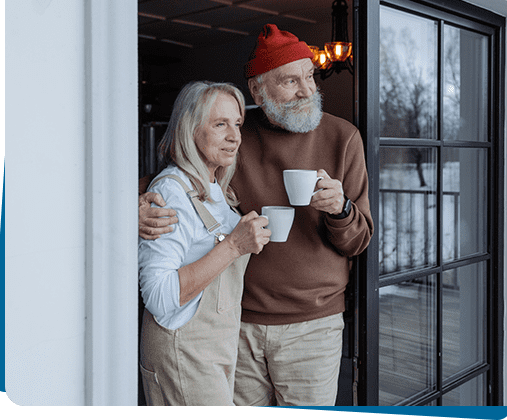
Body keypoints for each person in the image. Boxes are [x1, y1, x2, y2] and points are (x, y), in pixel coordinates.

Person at [139, 25, 373, 406]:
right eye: (290, 80)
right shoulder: (235, 137)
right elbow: (176, 177)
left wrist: (340, 209)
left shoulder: (343, 138)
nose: (307, 90)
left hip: (312, 327)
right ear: (258, 91)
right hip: (237, 325)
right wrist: (133, 207)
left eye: (310, 75)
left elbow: (359, 240)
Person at [138, 81, 271, 406]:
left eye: (237, 124)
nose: (234, 136)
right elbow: (159, 296)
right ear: (189, 129)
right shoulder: (171, 192)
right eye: (220, 124)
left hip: (213, 349)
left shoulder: (216, 190)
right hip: (184, 352)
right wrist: (234, 246)